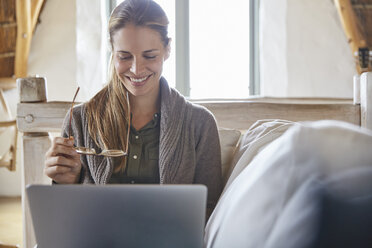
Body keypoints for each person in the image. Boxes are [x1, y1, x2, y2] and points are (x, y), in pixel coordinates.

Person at [44, 0, 222, 214]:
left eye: (150, 56)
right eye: (124, 56)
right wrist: (67, 181)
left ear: (167, 49)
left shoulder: (200, 124)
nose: (137, 69)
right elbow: (64, 213)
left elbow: (210, 210)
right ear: (112, 49)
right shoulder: (80, 120)